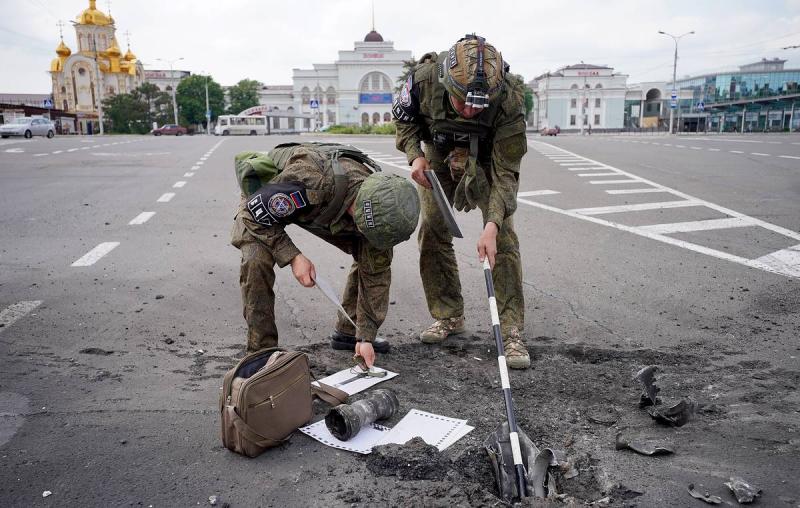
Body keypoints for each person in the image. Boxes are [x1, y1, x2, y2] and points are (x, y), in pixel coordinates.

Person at [392, 34, 530, 369]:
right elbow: (404, 121)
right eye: (462, 103)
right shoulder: (422, 81)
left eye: (478, 107)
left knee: (504, 240)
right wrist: (414, 158)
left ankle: (511, 330)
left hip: (484, 156)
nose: (469, 111)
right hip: (436, 152)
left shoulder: (509, 99)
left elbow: (506, 174)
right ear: (444, 82)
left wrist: (492, 225)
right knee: (433, 231)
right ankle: (448, 315)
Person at [230, 142, 420, 368]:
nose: (368, 237)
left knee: (372, 256)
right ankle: (260, 353)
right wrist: (293, 256)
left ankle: (350, 333)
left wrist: (366, 337)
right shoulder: (311, 180)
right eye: (365, 230)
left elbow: (376, 274)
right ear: (356, 208)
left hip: (325, 207)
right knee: (256, 258)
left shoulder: (382, 211)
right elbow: (252, 214)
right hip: (268, 199)